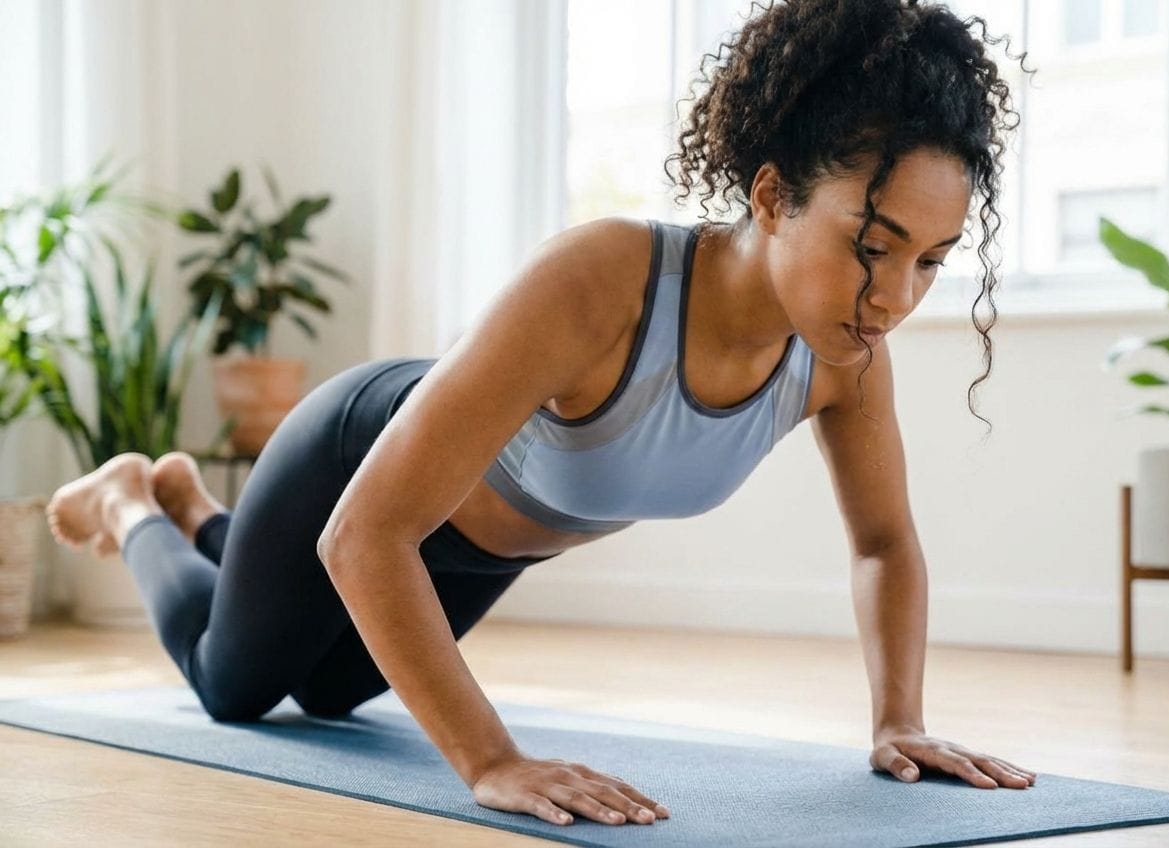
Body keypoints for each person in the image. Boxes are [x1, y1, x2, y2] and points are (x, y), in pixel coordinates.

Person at [45, 0, 1039, 829]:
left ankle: (198, 507)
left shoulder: (843, 357)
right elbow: (363, 535)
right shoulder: (604, 280)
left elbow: (882, 543)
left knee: (332, 693)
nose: (895, 296)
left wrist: (898, 719)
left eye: (930, 261)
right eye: (872, 246)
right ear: (773, 196)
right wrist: (491, 760)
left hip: (478, 550)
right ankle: (135, 502)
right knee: (234, 686)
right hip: (356, 468)